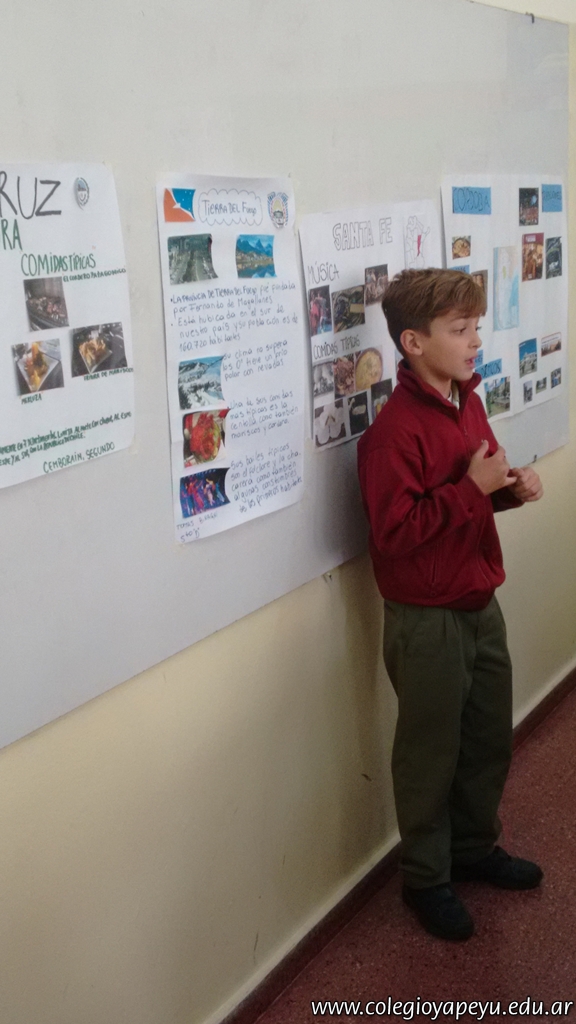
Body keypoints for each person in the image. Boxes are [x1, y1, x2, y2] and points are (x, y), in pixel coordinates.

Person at [357, 268, 544, 942]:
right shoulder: (391, 434)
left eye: (476, 327)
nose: (474, 341)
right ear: (413, 342)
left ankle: (473, 848)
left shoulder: (467, 401)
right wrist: (475, 489)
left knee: (488, 736)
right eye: (459, 330)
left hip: (477, 597)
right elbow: (398, 533)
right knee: (430, 753)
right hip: (426, 616)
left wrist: (509, 488)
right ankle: (426, 878)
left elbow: (474, 491)